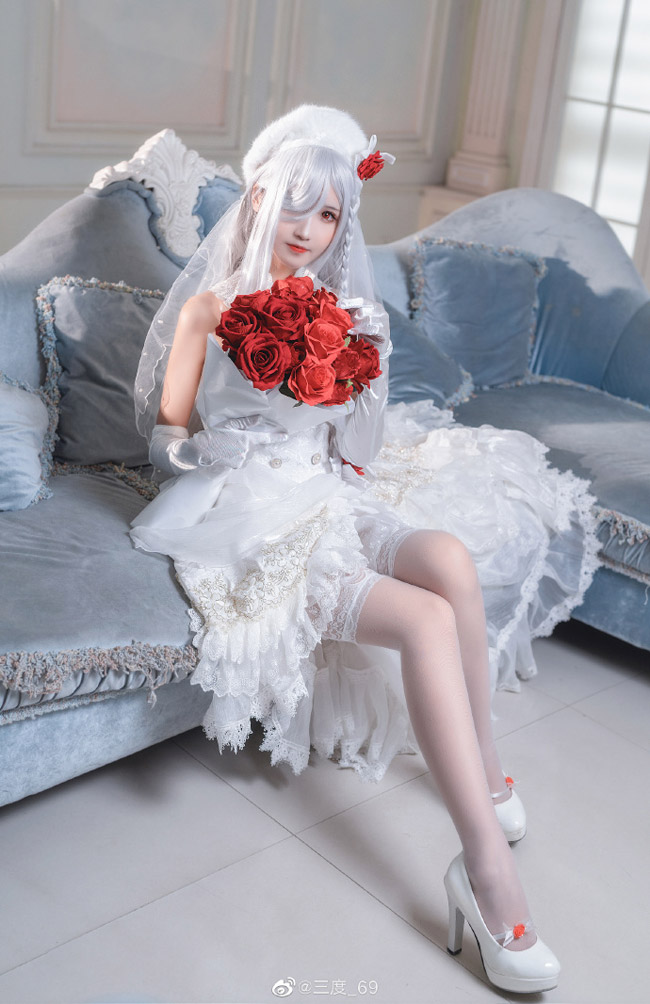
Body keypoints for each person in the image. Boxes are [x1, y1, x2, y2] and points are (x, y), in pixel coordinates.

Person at [130, 105, 600, 994]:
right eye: (295, 205)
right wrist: (198, 450)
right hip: (245, 511)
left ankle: (487, 770)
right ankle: (486, 872)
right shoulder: (207, 308)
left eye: (329, 215)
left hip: (324, 492)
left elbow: (356, 453)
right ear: (258, 197)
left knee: (449, 559)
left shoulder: (343, 312)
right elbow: (165, 432)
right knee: (424, 620)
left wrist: (360, 377)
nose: (308, 230)